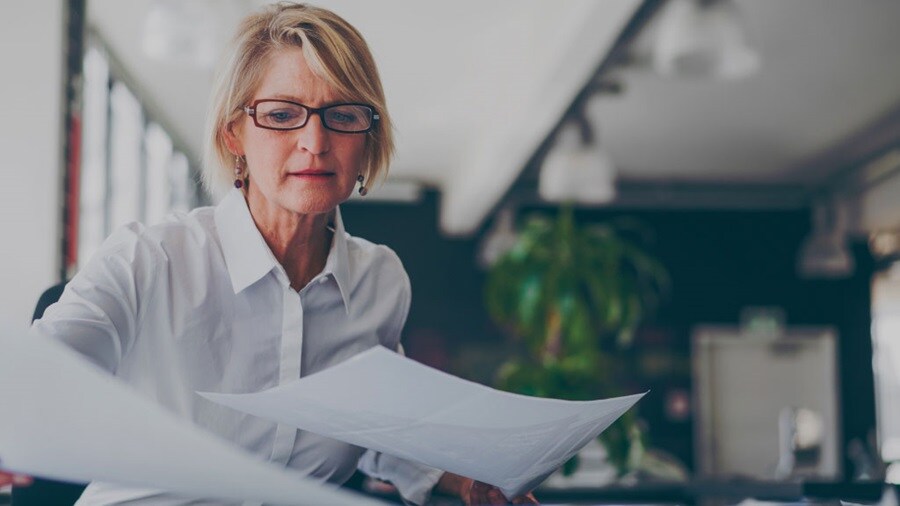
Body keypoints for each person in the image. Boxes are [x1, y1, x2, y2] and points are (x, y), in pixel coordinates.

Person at [0, 3, 538, 505]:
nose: (315, 142)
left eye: (343, 116)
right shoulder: (149, 260)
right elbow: (34, 379)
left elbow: (375, 427)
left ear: (367, 138)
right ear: (234, 133)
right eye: (283, 115)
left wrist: (464, 478)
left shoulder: (380, 282)